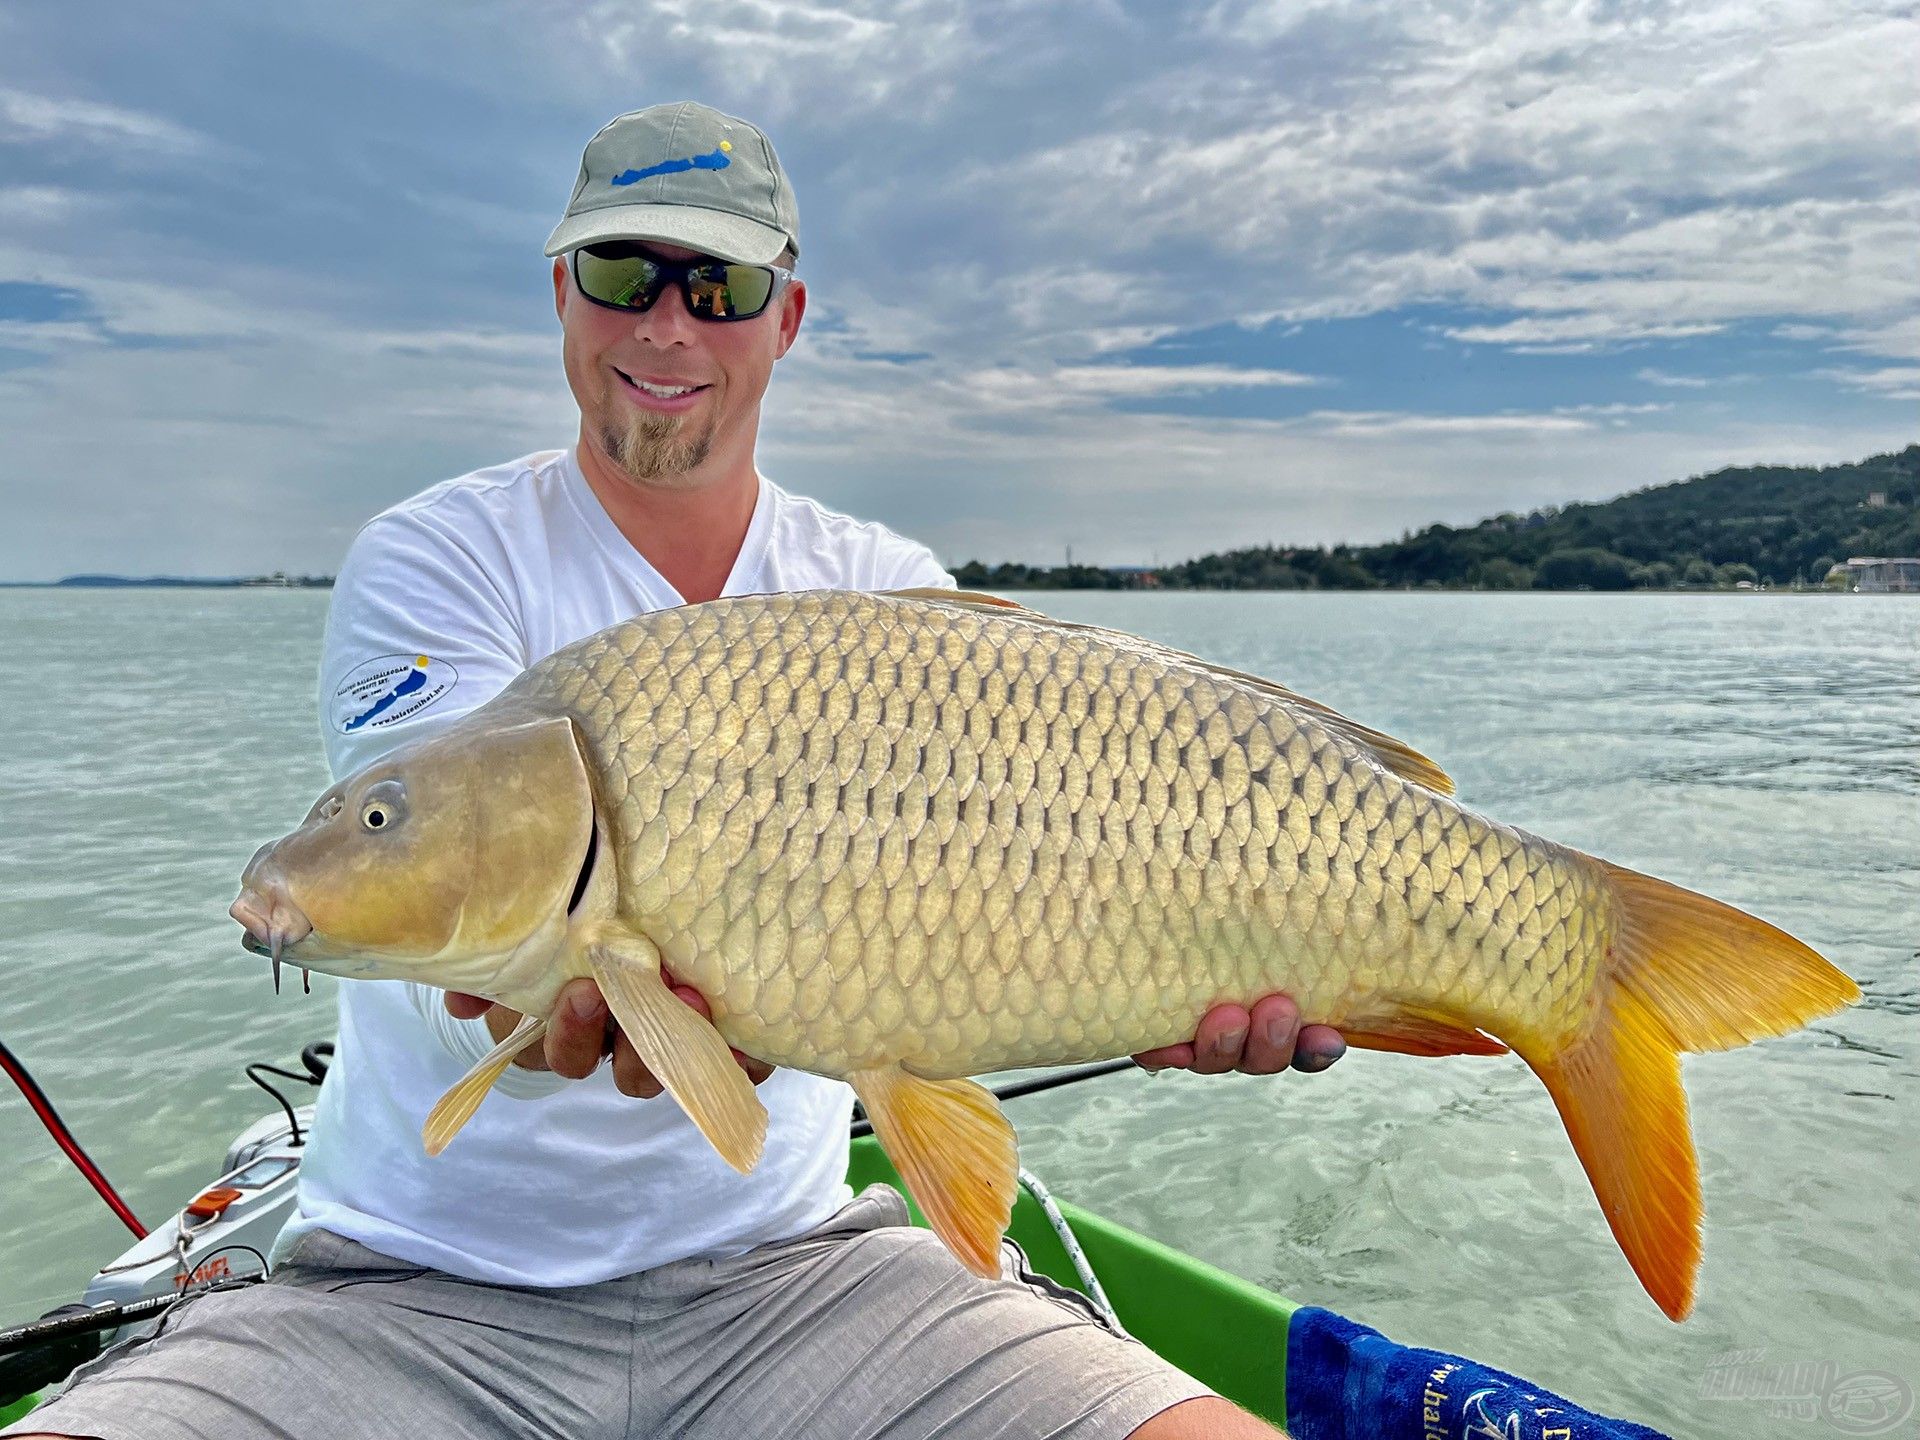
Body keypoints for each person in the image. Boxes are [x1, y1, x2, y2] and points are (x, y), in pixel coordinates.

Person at [10, 101, 1345, 1440]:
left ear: (788, 317)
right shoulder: (439, 558)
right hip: (410, 1296)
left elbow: (1012, 922)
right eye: (620, 275)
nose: (665, 327)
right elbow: (453, 909)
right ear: (561, 294)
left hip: (802, 1276)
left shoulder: (887, 588)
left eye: (720, 286)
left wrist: (1195, 976)